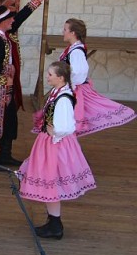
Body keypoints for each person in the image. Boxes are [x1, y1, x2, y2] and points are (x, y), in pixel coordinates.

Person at [19, 62, 97, 240]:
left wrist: (55, 132)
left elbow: (67, 126)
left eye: (50, 75)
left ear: (61, 78)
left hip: (55, 146)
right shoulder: (58, 93)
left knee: (52, 183)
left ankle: (55, 225)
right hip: (50, 143)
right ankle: (53, 222)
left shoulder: (63, 99)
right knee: (50, 184)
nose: (47, 77)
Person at [0, 0, 50, 172]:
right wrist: (7, 69)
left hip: (8, 88)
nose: (13, 20)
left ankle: (5, 155)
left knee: (9, 120)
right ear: (3, 22)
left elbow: (19, 18)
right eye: (10, 18)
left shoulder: (5, 32)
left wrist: (36, 1)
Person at [55, 18, 135, 136]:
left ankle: (66, 145)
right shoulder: (72, 48)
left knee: (68, 122)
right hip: (69, 89)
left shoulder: (76, 51)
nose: (63, 32)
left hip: (73, 90)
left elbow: (79, 72)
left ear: (73, 33)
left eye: (65, 29)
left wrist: (68, 86)